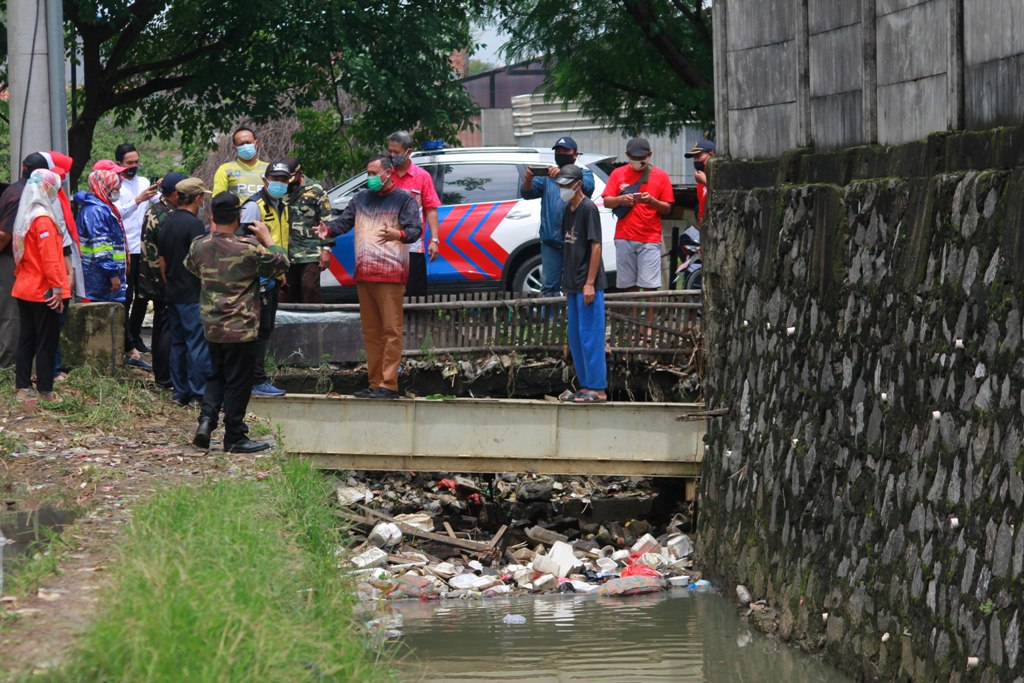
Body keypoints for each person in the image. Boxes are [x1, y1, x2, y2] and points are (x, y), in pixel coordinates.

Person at [187, 192, 289, 453]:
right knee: (239, 381)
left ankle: (206, 422)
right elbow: (282, 264)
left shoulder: (199, 245)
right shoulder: (249, 249)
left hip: (212, 325)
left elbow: (191, 267)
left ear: (212, 216)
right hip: (241, 328)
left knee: (216, 376)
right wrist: (268, 239)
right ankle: (234, 435)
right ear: (239, 216)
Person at [317, 155, 422, 399]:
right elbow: (344, 222)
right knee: (371, 332)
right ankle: (375, 383)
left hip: (391, 274)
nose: (371, 178)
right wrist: (328, 229)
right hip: (364, 274)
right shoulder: (361, 198)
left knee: (391, 331)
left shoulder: (404, 199)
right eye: (369, 173)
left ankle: (389, 384)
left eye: (375, 173)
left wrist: (398, 233)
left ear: (389, 173)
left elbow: (416, 231)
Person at [10, 169, 68, 401]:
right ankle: (45, 388)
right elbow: (50, 258)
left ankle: (22, 386)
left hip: (25, 285)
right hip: (43, 290)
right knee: (47, 341)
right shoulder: (43, 218)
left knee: (27, 338)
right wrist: (57, 288)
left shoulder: (27, 214)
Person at [554, 165, 607, 403]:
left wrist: (590, 283)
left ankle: (598, 388)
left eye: (566, 184)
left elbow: (596, 246)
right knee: (575, 336)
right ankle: (586, 385)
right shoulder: (568, 209)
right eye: (560, 185)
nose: (563, 189)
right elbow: (568, 245)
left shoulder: (588, 209)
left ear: (577, 184)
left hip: (588, 283)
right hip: (572, 282)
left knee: (590, 335)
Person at [157, 178, 211, 406]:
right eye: (202, 197)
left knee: (178, 343)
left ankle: (180, 392)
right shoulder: (194, 225)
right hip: (191, 292)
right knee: (196, 343)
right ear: (197, 198)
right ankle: (198, 393)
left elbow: (162, 261)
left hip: (173, 291)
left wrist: (169, 281)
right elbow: (200, 261)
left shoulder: (167, 221)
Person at [240, 160, 291, 397]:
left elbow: (281, 242)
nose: (279, 183)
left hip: (274, 275)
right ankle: (254, 380)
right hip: (258, 279)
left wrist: (281, 274)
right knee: (258, 330)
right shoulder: (254, 206)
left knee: (266, 328)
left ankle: (256, 377)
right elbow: (243, 241)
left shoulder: (283, 206)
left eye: (283, 179)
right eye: (275, 179)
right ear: (265, 180)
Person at [521, 136, 595, 296]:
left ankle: (573, 318)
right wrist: (528, 179)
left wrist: (563, 173)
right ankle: (549, 321)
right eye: (558, 151)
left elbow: (588, 187)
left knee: (576, 285)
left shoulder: (585, 174)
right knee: (549, 287)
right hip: (551, 241)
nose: (561, 154)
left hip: (576, 242)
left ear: (576, 154)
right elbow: (527, 193)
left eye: (565, 151)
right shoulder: (548, 176)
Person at [601, 138, 674, 293]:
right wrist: (621, 199)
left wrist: (652, 201)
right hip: (624, 236)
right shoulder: (617, 173)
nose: (638, 162)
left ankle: (650, 318)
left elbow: (667, 208)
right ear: (627, 155)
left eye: (642, 158)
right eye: (634, 158)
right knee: (628, 287)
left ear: (650, 155)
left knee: (650, 286)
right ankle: (631, 318)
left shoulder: (661, 176)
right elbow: (607, 201)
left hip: (650, 238)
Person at [0, 153, 52, 368]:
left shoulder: (13, 188)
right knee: (12, 315)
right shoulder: (24, 194)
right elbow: (5, 234)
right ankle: (7, 365)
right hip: (12, 259)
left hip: (14, 258)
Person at [140, 172, 187, 389]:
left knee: (162, 324)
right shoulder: (166, 216)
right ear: (175, 193)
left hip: (154, 276)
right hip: (163, 277)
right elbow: (164, 254)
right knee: (167, 325)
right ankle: (166, 376)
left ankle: (162, 374)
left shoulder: (156, 209)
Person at [114, 143, 159, 356]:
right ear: (119, 164)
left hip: (144, 248)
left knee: (144, 295)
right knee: (127, 295)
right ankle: (126, 340)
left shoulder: (143, 182)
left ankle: (135, 333)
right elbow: (116, 213)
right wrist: (138, 200)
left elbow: (157, 202)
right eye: (129, 163)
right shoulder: (115, 185)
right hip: (125, 248)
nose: (134, 166)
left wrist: (159, 189)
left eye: (136, 162)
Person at [386, 131, 441, 298]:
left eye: (396, 152)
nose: (392, 155)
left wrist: (435, 240)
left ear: (408, 152)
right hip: (388, 246)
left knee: (414, 294)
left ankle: (414, 324)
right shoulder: (386, 174)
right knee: (390, 294)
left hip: (413, 246)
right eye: (390, 151)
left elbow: (430, 209)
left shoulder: (422, 177)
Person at [75, 170, 132, 317]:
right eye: (115, 190)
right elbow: (102, 248)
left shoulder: (101, 207)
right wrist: (113, 275)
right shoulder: (96, 211)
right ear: (105, 188)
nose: (117, 193)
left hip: (101, 277)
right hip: (100, 280)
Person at [280, 158, 333, 303]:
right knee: (287, 294)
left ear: (299, 173)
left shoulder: (315, 190)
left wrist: (326, 249)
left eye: (289, 179)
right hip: (286, 253)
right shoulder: (279, 188)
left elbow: (327, 221)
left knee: (309, 289)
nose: (287, 183)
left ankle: (315, 325)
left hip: (310, 252)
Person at [212, 127, 268, 201]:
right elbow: (218, 200)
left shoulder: (269, 169)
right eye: (241, 144)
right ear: (235, 148)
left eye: (248, 142)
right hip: (237, 212)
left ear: (256, 143)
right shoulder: (225, 170)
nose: (245, 146)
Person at [684, 139, 715, 228]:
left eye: (699, 156)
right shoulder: (700, 183)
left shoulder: (721, 175)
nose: (696, 160)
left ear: (711, 155)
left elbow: (721, 200)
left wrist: (706, 182)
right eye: (694, 158)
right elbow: (702, 214)